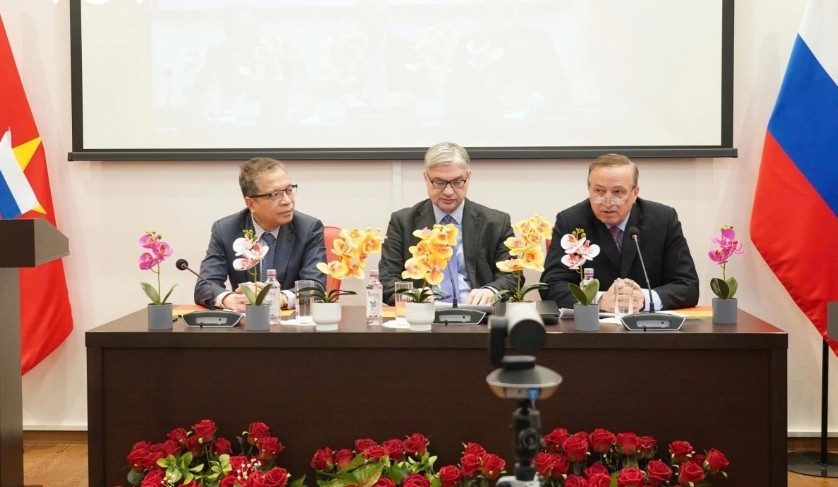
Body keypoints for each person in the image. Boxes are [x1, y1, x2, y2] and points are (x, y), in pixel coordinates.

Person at [539, 153, 699, 312]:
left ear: (635, 193)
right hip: (590, 330)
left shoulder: (663, 220)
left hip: (650, 329)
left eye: (618, 192)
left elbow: (688, 286)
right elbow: (550, 285)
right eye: (599, 191)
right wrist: (599, 300)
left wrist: (644, 298)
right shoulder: (571, 221)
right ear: (589, 189)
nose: (607, 202)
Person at [379, 141, 517, 306]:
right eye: (439, 182)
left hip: (478, 316)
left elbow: (512, 276)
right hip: (423, 316)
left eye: (457, 182)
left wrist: (492, 291)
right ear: (426, 178)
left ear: (468, 177)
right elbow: (387, 279)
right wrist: (413, 296)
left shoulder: (496, 223)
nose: (448, 191)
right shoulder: (403, 222)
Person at [194, 157, 326, 313]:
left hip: (291, 327)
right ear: (251, 204)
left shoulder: (309, 228)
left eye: (289, 190)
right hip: (245, 327)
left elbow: (315, 286)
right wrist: (229, 300)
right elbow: (205, 285)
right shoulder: (225, 230)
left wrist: (279, 298)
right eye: (275, 194)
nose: (287, 201)